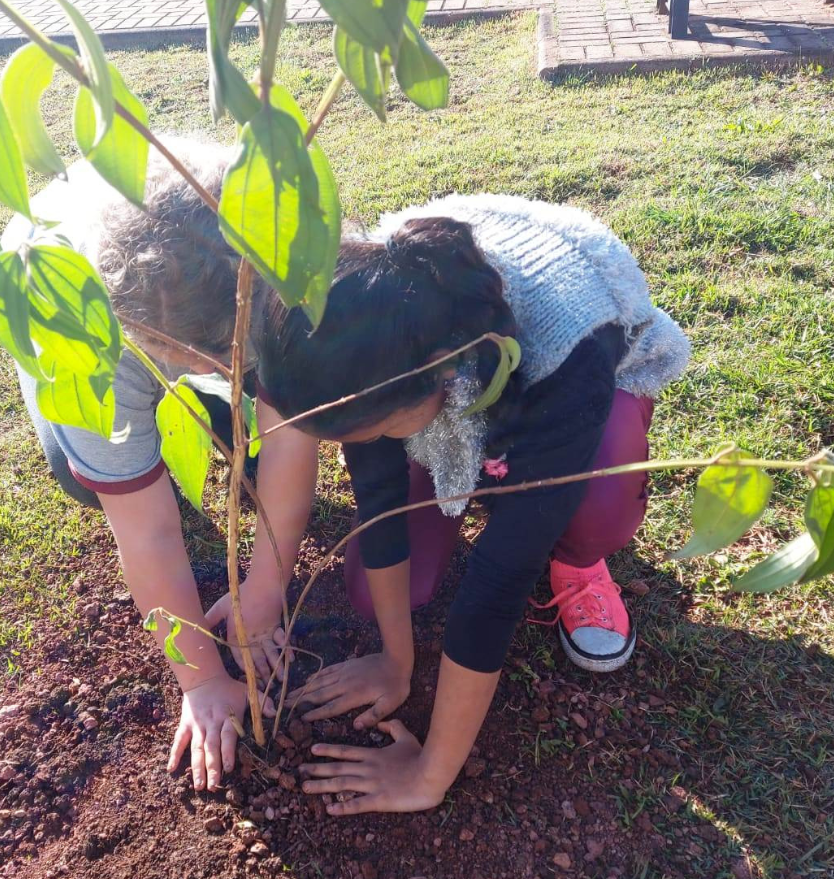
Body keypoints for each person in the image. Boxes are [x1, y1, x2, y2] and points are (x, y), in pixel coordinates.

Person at [256, 194, 690, 815]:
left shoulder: (564, 345)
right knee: (379, 584)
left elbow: (497, 582)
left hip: (589, 361)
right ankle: (478, 467)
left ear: (436, 375)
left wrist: (429, 775)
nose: (366, 447)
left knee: (593, 503)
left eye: (378, 431)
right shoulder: (359, 345)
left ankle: (578, 561)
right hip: (453, 368)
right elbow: (378, 500)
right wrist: (395, 660)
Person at [3, 139, 319, 793]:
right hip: (66, 280)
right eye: (206, 363)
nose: (219, 370)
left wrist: (263, 594)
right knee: (83, 473)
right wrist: (203, 679)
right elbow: (144, 531)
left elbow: (294, 435)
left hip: (205, 282)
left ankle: (230, 412)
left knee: (256, 414)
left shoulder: (287, 257)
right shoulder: (82, 344)